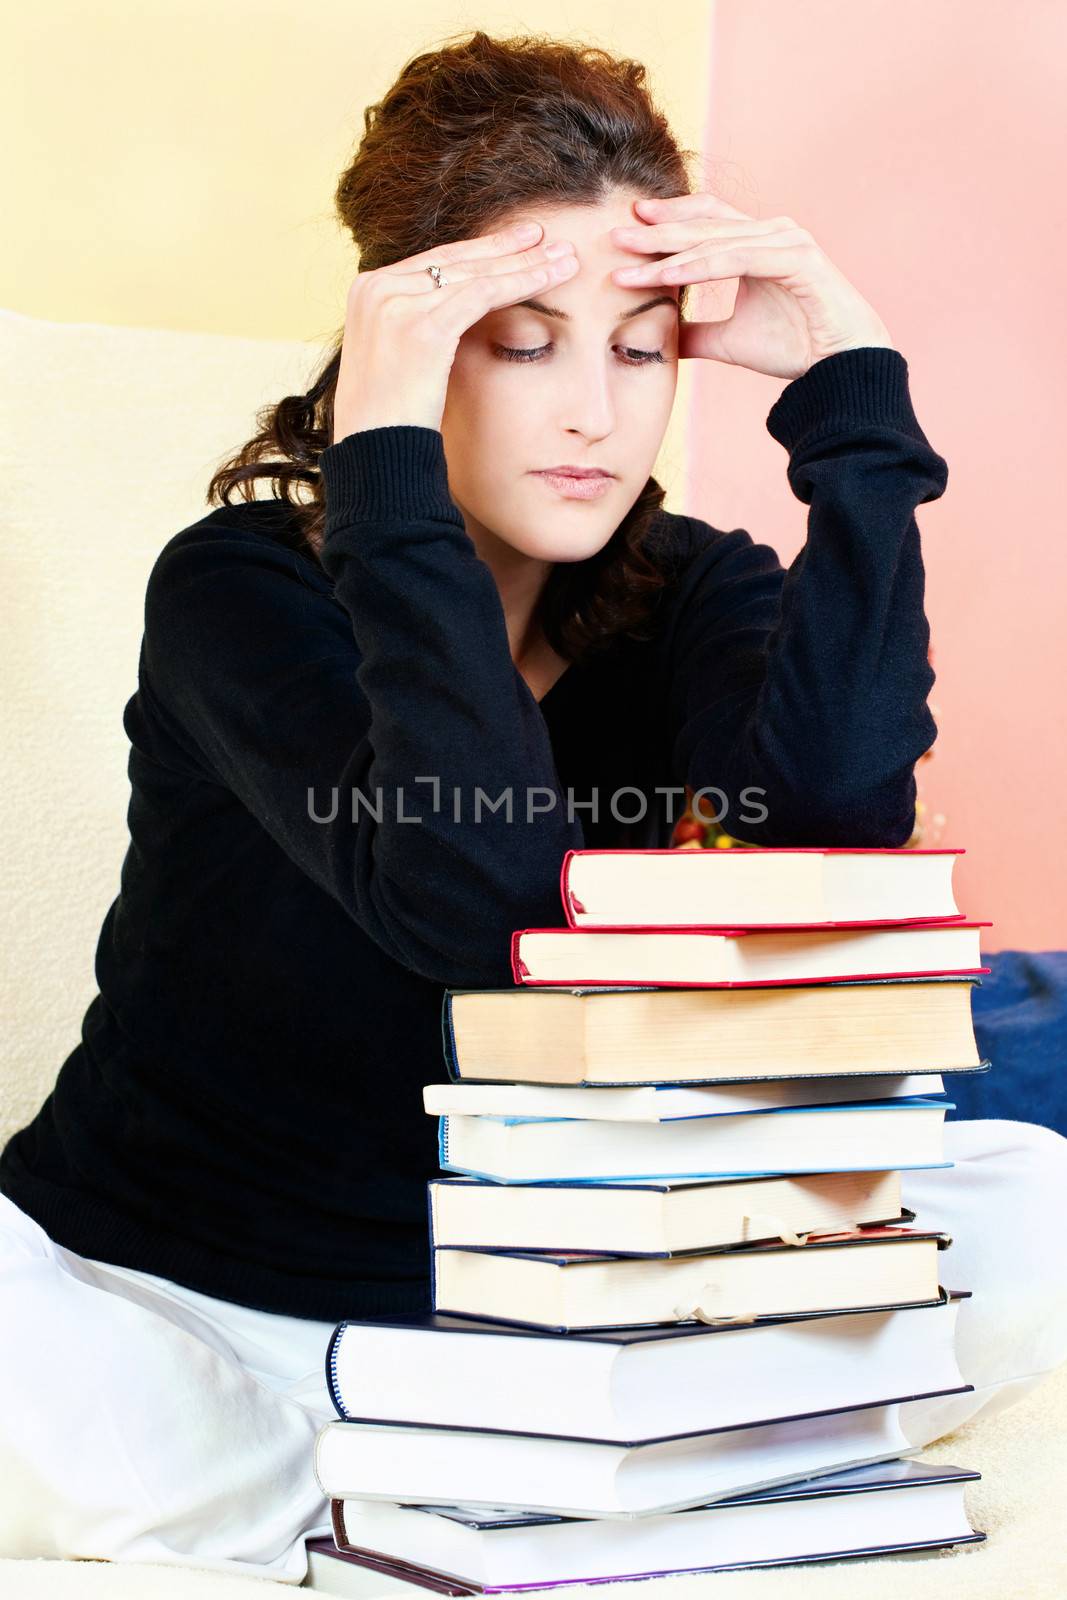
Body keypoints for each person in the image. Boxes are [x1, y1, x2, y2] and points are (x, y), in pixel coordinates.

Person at [2, 27, 1065, 1586]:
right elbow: (478, 908)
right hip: (179, 1295)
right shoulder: (239, 589)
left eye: (639, 348)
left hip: (545, 1314)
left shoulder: (692, 585)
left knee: (1036, 1198)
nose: (596, 414)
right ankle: (364, 1499)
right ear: (402, 350)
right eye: (522, 341)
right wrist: (385, 465)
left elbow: (834, 827)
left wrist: (854, 400)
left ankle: (451, 1483)